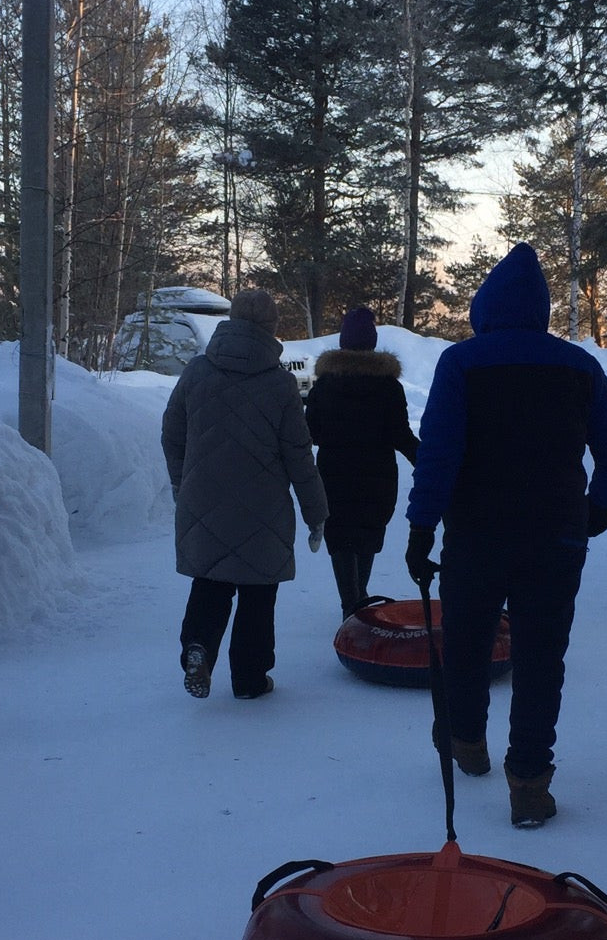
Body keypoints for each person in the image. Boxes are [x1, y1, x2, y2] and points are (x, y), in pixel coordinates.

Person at [404, 243, 607, 827]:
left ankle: (466, 741)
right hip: (557, 535)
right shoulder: (579, 365)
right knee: (540, 658)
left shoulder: (461, 363)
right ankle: (529, 783)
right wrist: (600, 504)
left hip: (475, 534)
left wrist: (421, 525)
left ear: (484, 307)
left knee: (467, 640)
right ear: (542, 310)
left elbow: (439, 453)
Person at [161, 286, 328, 700]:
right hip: (263, 509)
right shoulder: (280, 384)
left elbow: (172, 433)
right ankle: (250, 679)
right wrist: (315, 512)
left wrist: (184, 482)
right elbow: (298, 457)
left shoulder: (197, 372)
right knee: (258, 595)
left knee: (210, 583)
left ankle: (198, 649)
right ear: (271, 328)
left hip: (204, 503)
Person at [304, 306, 420, 617]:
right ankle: (360, 596)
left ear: (342, 343)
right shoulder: (388, 386)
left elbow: (311, 432)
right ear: (372, 343)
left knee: (340, 536)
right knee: (367, 534)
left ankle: (350, 602)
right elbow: (400, 434)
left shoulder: (325, 385)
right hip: (378, 475)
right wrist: (425, 460)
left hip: (333, 474)